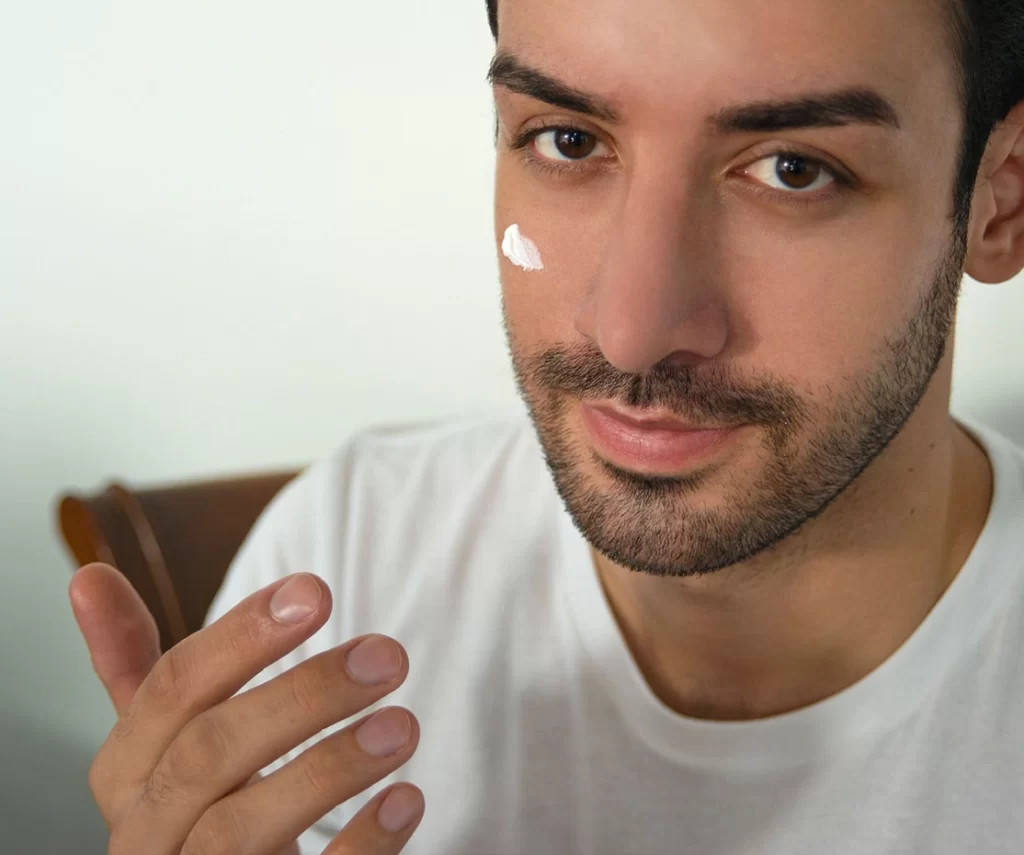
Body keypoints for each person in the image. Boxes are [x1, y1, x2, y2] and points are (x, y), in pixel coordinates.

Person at [69, 0, 1024, 852]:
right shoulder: (353, 551)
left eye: (793, 169)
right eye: (568, 141)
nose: (632, 328)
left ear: (1002, 199)